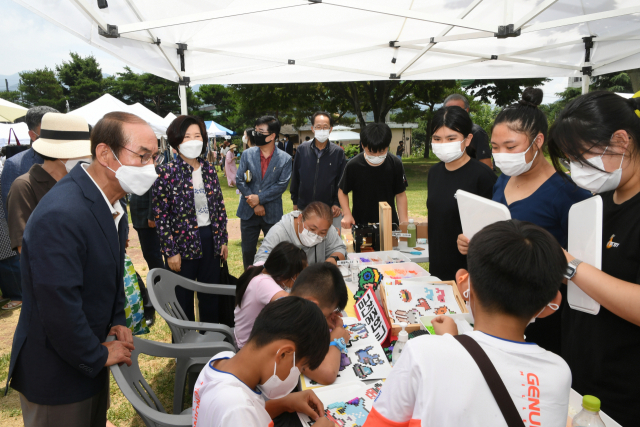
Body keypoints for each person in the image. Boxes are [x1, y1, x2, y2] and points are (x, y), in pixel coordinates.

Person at [7, 111, 159, 427]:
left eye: (154, 157)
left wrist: (116, 320)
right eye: (142, 157)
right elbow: (58, 305)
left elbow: (111, 273)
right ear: (105, 154)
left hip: (88, 354)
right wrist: (99, 354)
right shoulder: (62, 214)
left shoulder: (109, 201)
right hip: (57, 374)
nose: (151, 169)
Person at [364, 220, 570, 427]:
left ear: (468, 288)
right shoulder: (558, 374)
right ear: (546, 304)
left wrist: (449, 342)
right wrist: (452, 341)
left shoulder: (422, 354)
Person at [457, 87, 590, 354]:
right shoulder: (503, 180)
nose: (502, 154)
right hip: (498, 305)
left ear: (537, 141)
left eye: (511, 146)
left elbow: (583, 269)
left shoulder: (569, 194)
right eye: (495, 147)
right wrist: (477, 242)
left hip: (542, 313)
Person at [547, 91, 640, 426]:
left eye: (581, 157)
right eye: (569, 162)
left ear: (621, 141)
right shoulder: (597, 205)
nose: (575, 172)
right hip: (583, 377)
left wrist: (568, 265)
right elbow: (594, 280)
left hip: (626, 392)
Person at [193, 297, 335, 427]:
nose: (298, 374)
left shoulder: (222, 360)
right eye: (301, 368)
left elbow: (251, 415)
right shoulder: (237, 408)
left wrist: (285, 403)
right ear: (284, 354)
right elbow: (242, 415)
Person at [152, 115, 228, 324]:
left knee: (210, 295)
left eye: (197, 136)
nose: (194, 141)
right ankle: (184, 349)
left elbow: (219, 208)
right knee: (182, 298)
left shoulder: (210, 170)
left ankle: (211, 342)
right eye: (187, 136)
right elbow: (161, 216)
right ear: (176, 141)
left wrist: (222, 239)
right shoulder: (165, 173)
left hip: (209, 238)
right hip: (181, 243)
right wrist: (170, 251)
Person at [7, 113, 92, 255]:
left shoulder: (84, 180)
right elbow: (24, 247)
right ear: (60, 153)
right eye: (81, 151)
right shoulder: (24, 186)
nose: (88, 157)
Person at [427, 107, 496, 281]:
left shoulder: (483, 176)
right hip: (437, 267)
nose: (443, 144)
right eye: (437, 139)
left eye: (451, 138)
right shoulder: (434, 173)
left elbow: (496, 229)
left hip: (472, 273)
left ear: (467, 139)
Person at [236, 116, 292, 270]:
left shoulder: (285, 159)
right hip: (248, 212)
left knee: (273, 252)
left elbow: (281, 186)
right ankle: (249, 284)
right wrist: (254, 203)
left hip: (272, 213)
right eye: (255, 131)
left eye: (260, 131)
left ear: (272, 135)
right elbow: (240, 179)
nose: (256, 134)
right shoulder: (247, 154)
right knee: (248, 252)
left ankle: (272, 283)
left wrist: (259, 198)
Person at [234, 242, 307, 348]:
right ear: (284, 274)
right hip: (247, 347)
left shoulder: (262, 266)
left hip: (250, 337)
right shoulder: (264, 284)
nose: (299, 280)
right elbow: (295, 306)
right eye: (298, 276)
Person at [339, 123, 408, 229]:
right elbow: (342, 191)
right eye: (371, 152)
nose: (376, 156)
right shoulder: (354, 165)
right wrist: (347, 214)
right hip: (362, 224)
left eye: (381, 151)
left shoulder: (395, 164)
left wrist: (404, 223)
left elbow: (400, 194)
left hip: (389, 223)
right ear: (363, 145)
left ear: (387, 146)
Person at [290, 262, 349, 385]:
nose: (328, 317)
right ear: (313, 305)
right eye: (326, 314)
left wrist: (321, 321)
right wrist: (336, 340)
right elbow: (327, 374)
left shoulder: (291, 309)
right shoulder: (287, 327)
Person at [290, 111, 346, 231]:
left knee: (331, 244)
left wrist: (337, 203)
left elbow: (341, 181)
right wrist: (295, 200)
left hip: (330, 208)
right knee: (305, 241)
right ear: (312, 128)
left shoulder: (338, 152)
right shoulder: (301, 150)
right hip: (305, 206)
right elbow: (295, 177)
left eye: (325, 127)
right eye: (318, 127)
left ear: (330, 129)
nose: (322, 130)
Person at [1, 106, 59, 218]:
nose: (55, 134)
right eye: (48, 130)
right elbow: (13, 214)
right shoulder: (15, 165)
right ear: (33, 135)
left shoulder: (72, 157)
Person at [254, 201, 346, 266]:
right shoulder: (279, 232)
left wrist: (333, 260)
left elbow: (339, 248)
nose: (316, 235)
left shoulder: (326, 227)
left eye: (322, 232)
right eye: (312, 229)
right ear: (300, 218)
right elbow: (261, 259)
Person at [443, 94, 493, 169]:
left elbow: (487, 166)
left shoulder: (476, 132)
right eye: (449, 110)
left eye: (457, 110)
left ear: (466, 111)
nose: (453, 114)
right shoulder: (443, 132)